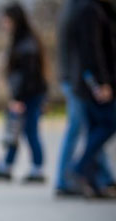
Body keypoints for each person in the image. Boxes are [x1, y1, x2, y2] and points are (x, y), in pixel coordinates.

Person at [55, 0, 114, 197]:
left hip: (79, 79)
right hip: (84, 81)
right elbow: (91, 49)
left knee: (91, 129)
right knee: (96, 126)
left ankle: (97, 179)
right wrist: (101, 82)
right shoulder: (85, 8)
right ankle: (74, 173)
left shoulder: (78, 7)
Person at [0, 2, 48, 183]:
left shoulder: (27, 43)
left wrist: (18, 99)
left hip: (29, 95)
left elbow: (28, 76)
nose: (4, 24)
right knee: (15, 129)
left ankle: (37, 169)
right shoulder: (22, 39)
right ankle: (7, 165)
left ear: (15, 20)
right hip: (25, 94)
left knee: (29, 130)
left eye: (6, 20)